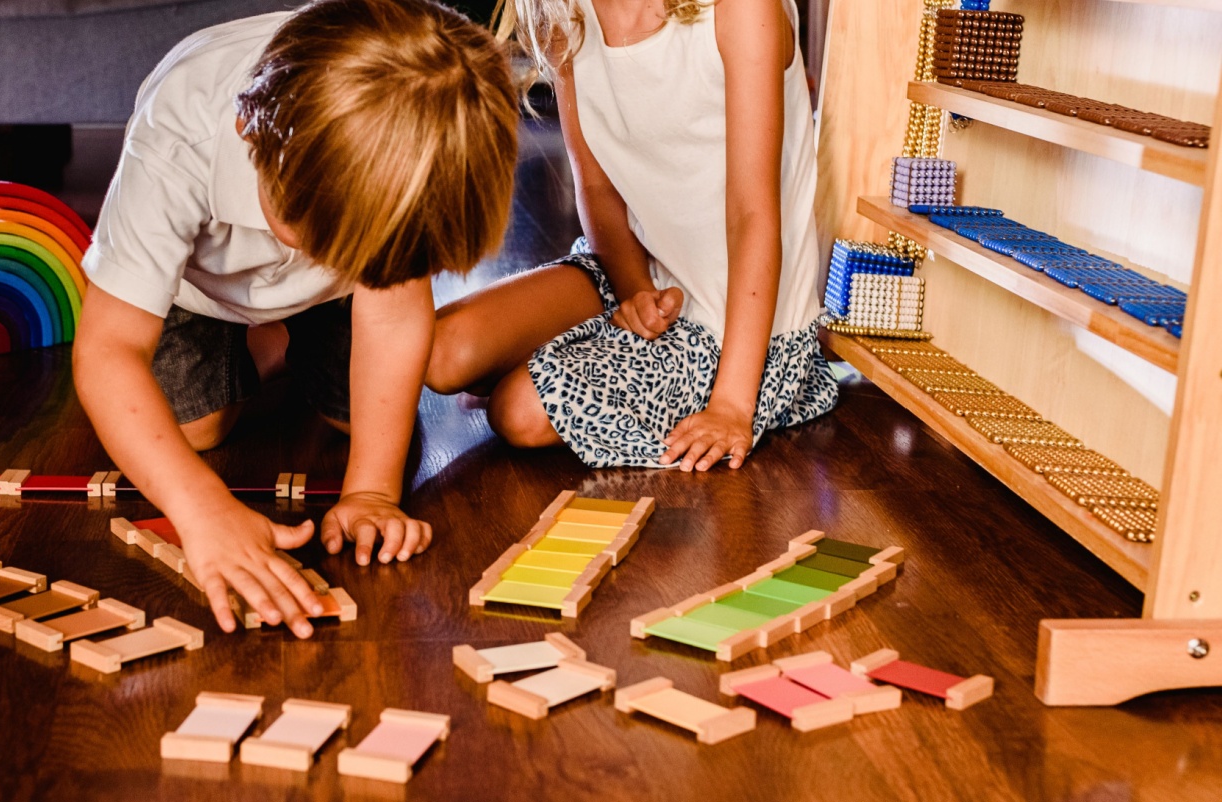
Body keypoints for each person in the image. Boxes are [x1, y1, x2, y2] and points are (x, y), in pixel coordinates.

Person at [74, 0, 518, 637]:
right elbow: (107, 351)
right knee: (194, 432)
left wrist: (370, 493)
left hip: (337, 297)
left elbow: (393, 322)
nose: (324, 255)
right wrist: (202, 509)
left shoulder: (402, 140)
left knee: (358, 419)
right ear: (257, 145)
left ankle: (287, 336)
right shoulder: (179, 134)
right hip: (195, 290)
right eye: (319, 235)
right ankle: (270, 343)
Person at [427, 0, 838, 471]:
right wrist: (636, 294)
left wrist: (731, 406)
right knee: (443, 352)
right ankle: (579, 354)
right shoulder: (563, 14)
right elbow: (597, 188)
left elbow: (752, 216)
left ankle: (557, 366)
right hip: (643, 272)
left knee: (516, 411)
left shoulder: (743, 10)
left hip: (742, 331)